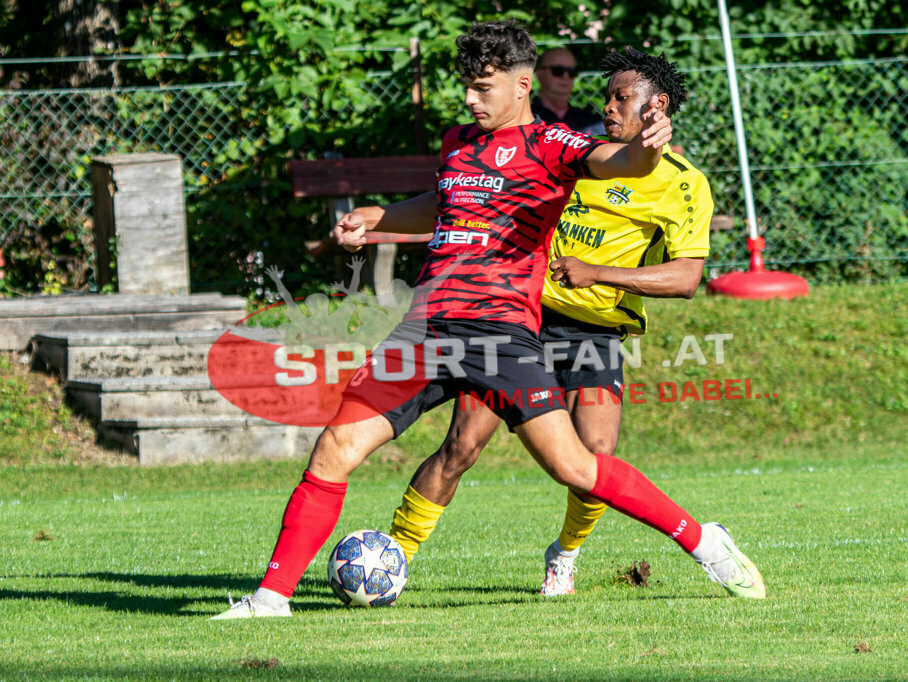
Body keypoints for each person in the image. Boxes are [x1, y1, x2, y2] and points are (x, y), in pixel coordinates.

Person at [212, 21, 761, 620]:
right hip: (424, 329)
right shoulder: (459, 144)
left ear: (522, 86)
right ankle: (270, 600)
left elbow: (620, 161)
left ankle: (705, 543)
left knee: (575, 465)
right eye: (467, 87)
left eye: (482, 88)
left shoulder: (553, 145)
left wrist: (648, 146)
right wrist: (377, 217)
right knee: (336, 446)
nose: (470, 99)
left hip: (499, 332)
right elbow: (443, 203)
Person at [387, 47, 730, 597]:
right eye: (607, 96)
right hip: (521, 319)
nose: (608, 106)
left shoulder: (685, 183)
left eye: (622, 97)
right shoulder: (577, 155)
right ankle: (392, 558)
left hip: (595, 333)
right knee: (462, 444)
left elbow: (687, 278)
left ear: (657, 105)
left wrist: (598, 273)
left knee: (597, 455)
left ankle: (564, 555)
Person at [532, 46, 604, 136]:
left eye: (572, 71)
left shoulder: (591, 121)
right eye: (557, 70)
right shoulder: (528, 118)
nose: (565, 76)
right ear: (539, 73)